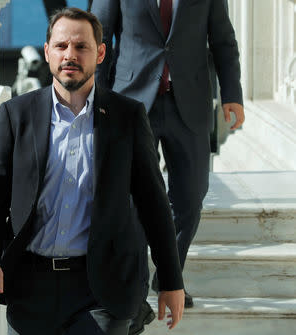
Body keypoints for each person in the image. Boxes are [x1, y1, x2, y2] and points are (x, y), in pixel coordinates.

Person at [0, 7, 184, 335]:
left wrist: (171, 282)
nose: (70, 54)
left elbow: (154, 204)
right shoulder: (17, 116)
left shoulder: (127, 117)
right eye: (61, 46)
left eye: (81, 46)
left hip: (100, 289)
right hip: (29, 287)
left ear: (100, 53)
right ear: (47, 52)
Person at [91, 0, 244, 333]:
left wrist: (232, 93)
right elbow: (97, 38)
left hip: (188, 103)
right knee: (132, 202)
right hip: (131, 100)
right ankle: (135, 290)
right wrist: (97, 95)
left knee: (190, 197)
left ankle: (168, 276)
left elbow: (222, 39)